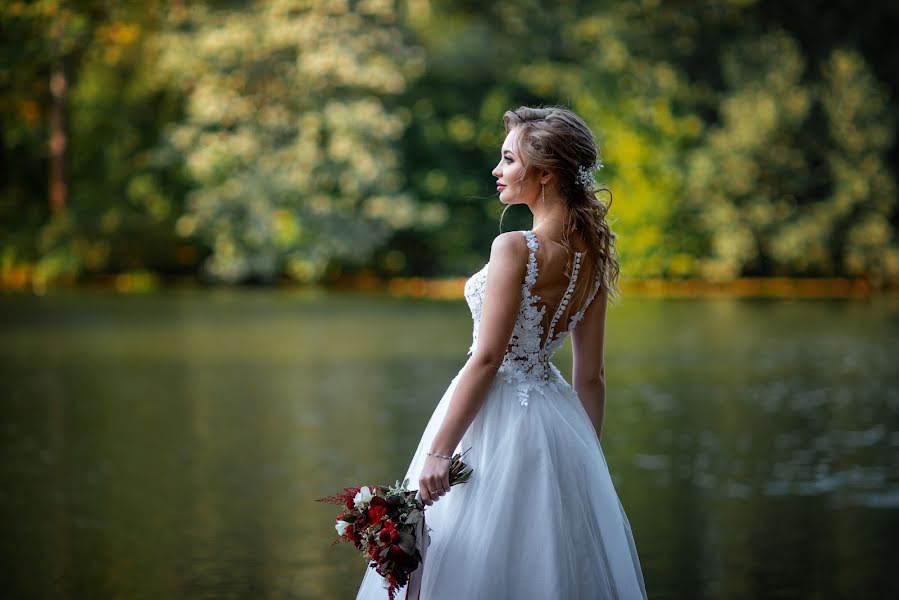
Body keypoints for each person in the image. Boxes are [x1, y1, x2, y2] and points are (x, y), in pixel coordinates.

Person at [355, 106, 648, 599]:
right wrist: (585, 458)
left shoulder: (514, 246)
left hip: (490, 420)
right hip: (559, 425)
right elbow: (591, 376)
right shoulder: (593, 257)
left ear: (546, 173)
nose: (497, 170)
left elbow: (488, 359)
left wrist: (439, 452)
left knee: (468, 558)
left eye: (509, 160)